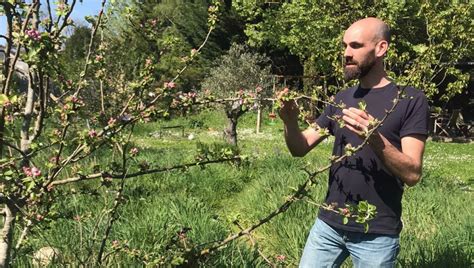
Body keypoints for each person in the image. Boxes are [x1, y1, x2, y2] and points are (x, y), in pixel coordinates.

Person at [278, 17, 429, 268]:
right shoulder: (343, 98)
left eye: (356, 46)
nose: (346, 53)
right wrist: (290, 122)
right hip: (328, 225)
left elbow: (412, 174)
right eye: (345, 46)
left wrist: (373, 136)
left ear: (381, 48)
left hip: (377, 233)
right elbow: (300, 147)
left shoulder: (410, 99)